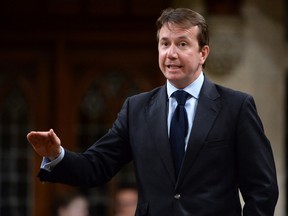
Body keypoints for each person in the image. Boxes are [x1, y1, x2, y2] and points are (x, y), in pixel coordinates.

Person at [27, 8, 278, 215]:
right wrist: (57, 154)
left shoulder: (236, 107)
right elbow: (97, 165)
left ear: (203, 53)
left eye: (182, 44)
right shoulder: (136, 109)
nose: (171, 54)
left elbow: (262, 189)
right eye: (164, 43)